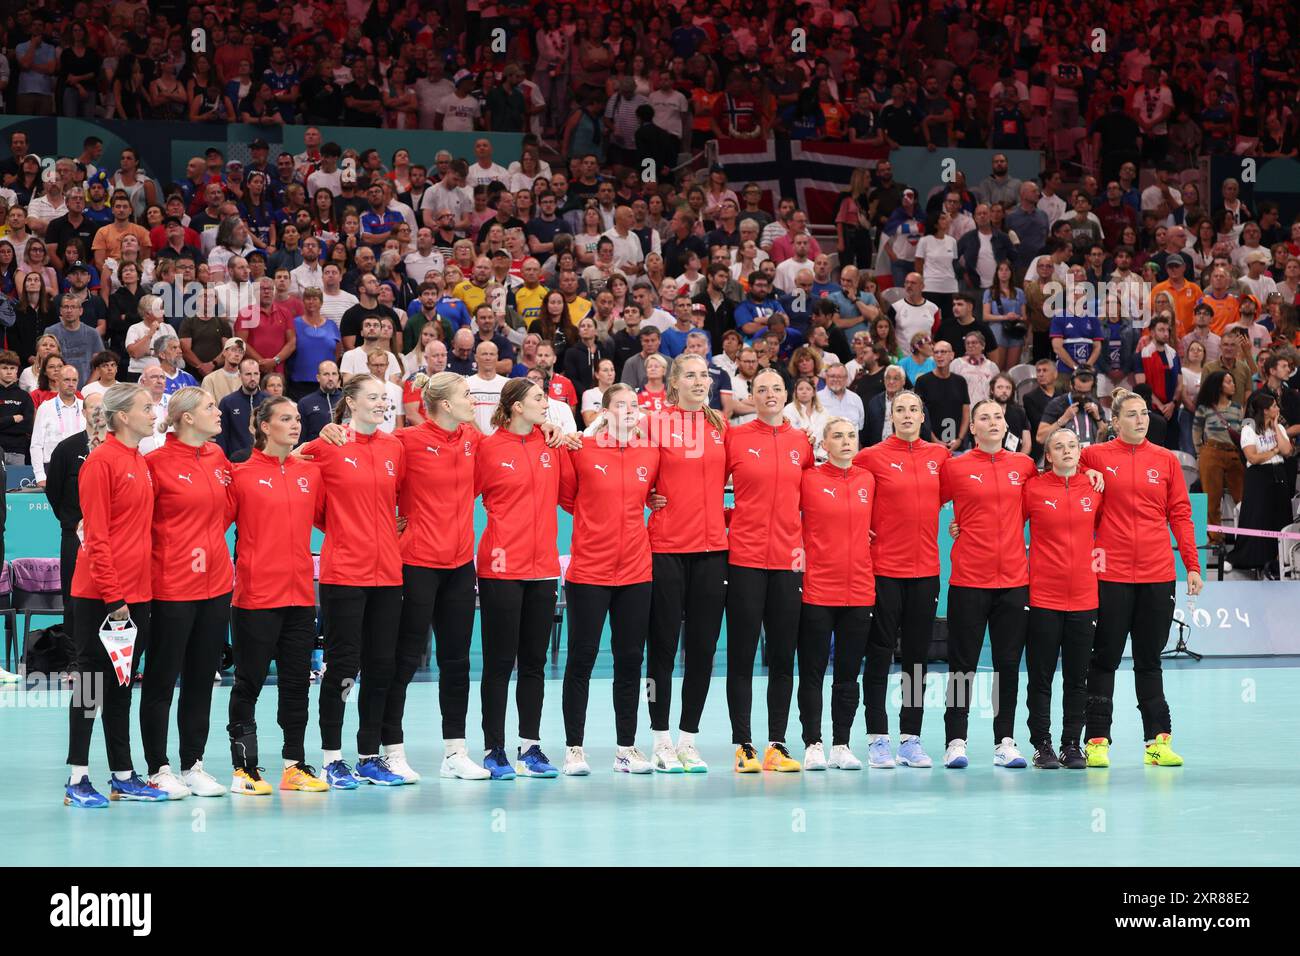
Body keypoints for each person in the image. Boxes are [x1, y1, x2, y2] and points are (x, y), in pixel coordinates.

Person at [1080, 389, 1203, 768]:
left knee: (1149, 661)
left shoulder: (1165, 460)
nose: (1140, 420)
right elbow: (1068, 487)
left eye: (1144, 414)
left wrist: (1193, 565)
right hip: (1110, 574)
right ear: (1114, 422)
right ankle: (1097, 740)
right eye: (1131, 415)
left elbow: (1180, 514)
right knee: (1104, 659)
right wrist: (1088, 475)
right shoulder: (1094, 456)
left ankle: (1157, 741)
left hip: (1157, 574)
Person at [300, 375, 407, 788]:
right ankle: (331, 757)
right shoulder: (328, 444)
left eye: (385, 397)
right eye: (374, 397)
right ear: (351, 402)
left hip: (388, 572)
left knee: (381, 665)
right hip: (345, 571)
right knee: (344, 665)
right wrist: (346, 530)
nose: (382, 403)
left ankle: (368, 755)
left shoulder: (394, 446)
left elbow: (398, 501)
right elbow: (288, 464)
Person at [383, 373, 491, 780]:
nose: (472, 400)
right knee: (404, 660)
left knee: (457, 661)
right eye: (466, 394)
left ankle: (455, 753)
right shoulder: (404, 441)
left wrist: (549, 426)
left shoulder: (471, 438)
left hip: (461, 566)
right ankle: (392, 749)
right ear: (445, 404)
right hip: (416, 564)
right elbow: (373, 479)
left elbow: (505, 445)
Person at [64, 383, 166, 807]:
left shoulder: (138, 461)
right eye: (146, 407)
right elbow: (96, 538)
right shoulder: (101, 462)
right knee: (91, 683)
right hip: (102, 597)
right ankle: (77, 778)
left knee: (123, 685)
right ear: (123, 416)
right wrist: (113, 597)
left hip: (136, 594)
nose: (153, 413)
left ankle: (122, 774)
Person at [226, 397, 329, 795]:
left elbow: (329, 518)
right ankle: (245, 770)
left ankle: (294, 766)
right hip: (255, 596)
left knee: (296, 684)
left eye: (298, 418)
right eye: (285, 418)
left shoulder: (310, 473)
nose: (295, 424)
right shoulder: (240, 473)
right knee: (248, 683)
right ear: (264, 426)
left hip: (302, 596)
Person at [557, 384, 660, 774]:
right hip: (589, 570)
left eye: (635, 404)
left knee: (630, 659)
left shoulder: (650, 452)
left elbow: (653, 494)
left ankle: (626, 749)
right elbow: (569, 499)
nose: (630, 410)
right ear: (604, 410)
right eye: (622, 404)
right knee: (581, 658)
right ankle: (574, 749)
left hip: (636, 570)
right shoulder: (580, 450)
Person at [474, 379, 572, 779]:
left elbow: (573, 497)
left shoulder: (551, 446)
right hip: (500, 567)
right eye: (537, 399)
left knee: (534, 662)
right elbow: (457, 492)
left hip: (544, 566)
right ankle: (494, 749)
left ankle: (530, 748)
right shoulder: (487, 448)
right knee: (499, 661)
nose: (545, 404)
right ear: (515, 406)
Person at [138, 388, 232, 799]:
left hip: (216, 586)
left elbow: (230, 509)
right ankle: (158, 767)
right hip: (172, 587)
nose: (219, 412)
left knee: (201, 678)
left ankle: (193, 763)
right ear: (187, 418)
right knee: (161, 679)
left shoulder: (218, 458)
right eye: (210, 407)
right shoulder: (154, 464)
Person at [852, 390, 950, 768]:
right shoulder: (869, 456)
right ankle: (878, 737)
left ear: (923, 416)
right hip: (882, 572)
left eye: (913, 409)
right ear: (890, 416)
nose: (907, 415)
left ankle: (911, 738)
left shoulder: (939, 457)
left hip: (926, 572)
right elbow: (843, 486)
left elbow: (973, 491)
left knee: (916, 659)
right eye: (900, 410)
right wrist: (860, 527)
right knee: (878, 654)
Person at [939, 399, 1036, 769]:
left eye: (998, 416)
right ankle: (955, 741)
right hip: (969, 579)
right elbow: (921, 500)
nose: (992, 422)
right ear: (973, 428)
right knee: (961, 665)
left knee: (1008, 664)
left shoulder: (1024, 467)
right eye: (984, 417)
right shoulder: (956, 468)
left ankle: (1005, 741)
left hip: (1014, 580)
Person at [724, 368, 812, 773]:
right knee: (742, 656)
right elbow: (706, 483)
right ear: (752, 396)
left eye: (777, 388)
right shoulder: (735, 437)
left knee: (782, 656)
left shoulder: (801, 442)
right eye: (762, 389)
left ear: (788, 394)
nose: (770, 394)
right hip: (744, 559)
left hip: (788, 561)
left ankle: (777, 743)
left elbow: (812, 498)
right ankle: (744, 746)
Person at [643, 354, 729, 773]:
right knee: (661, 647)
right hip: (667, 548)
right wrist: (645, 496)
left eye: (704, 375)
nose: (699, 381)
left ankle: (688, 739)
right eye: (690, 375)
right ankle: (660, 739)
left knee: (703, 649)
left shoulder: (720, 425)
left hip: (713, 551)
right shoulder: (654, 422)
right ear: (673, 382)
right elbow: (635, 471)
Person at [796, 417, 876, 770]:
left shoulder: (867, 480)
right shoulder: (808, 479)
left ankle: (842, 744)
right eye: (838, 436)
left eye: (851, 436)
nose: (846, 441)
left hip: (859, 589)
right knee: (812, 671)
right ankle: (813, 743)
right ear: (823, 445)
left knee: (847, 674)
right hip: (817, 588)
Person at [1022, 428, 1102, 769]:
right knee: (1040, 676)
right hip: (1043, 597)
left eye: (1073, 445)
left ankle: (1072, 744)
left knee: (1077, 677)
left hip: (1085, 598)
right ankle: (1042, 744)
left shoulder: (1095, 488)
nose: (1067, 451)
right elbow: (1003, 523)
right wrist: (960, 527)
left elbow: (1111, 529)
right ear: (1048, 455)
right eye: (1059, 447)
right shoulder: (1033, 489)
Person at [44, 394, 106, 658]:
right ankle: (73, 660)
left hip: (109, 536)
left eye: (103, 408)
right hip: (74, 536)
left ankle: (115, 658)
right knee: (75, 598)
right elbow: (54, 491)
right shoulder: (67, 449)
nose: (99, 412)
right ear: (83, 411)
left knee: (108, 597)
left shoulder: (117, 448)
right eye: (93, 407)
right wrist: (72, 521)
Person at [1229, 391, 1294, 576]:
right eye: (1274, 406)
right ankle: (1251, 559)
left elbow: (1287, 451)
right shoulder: (1249, 429)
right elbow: (1253, 457)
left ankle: (1279, 560)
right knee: (1258, 516)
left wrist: (1275, 427)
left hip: (1279, 474)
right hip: (1258, 476)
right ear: (1265, 410)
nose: (1278, 409)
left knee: (1281, 516)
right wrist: (1274, 451)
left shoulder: (1279, 428)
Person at [1191, 369, 1245, 546]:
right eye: (1228, 382)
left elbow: (1240, 432)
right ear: (1218, 386)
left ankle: (1245, 538)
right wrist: (1200, 453)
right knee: (1212, 499)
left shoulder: (1238, 408)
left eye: (1233, 381)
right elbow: (1196, 432)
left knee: (1242, 498)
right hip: (1211, 452)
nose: (1233, 385)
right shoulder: (1204, 408)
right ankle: (1216, 539)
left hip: (1234, 454)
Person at [30, 363, 83, 487]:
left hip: (82, 467)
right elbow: (36, 445)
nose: (71, 383)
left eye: (74, 380)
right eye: (66, 380)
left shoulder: (85, 406)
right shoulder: (45, 407)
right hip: (53, 467)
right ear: (57, 381)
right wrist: (40, 476)